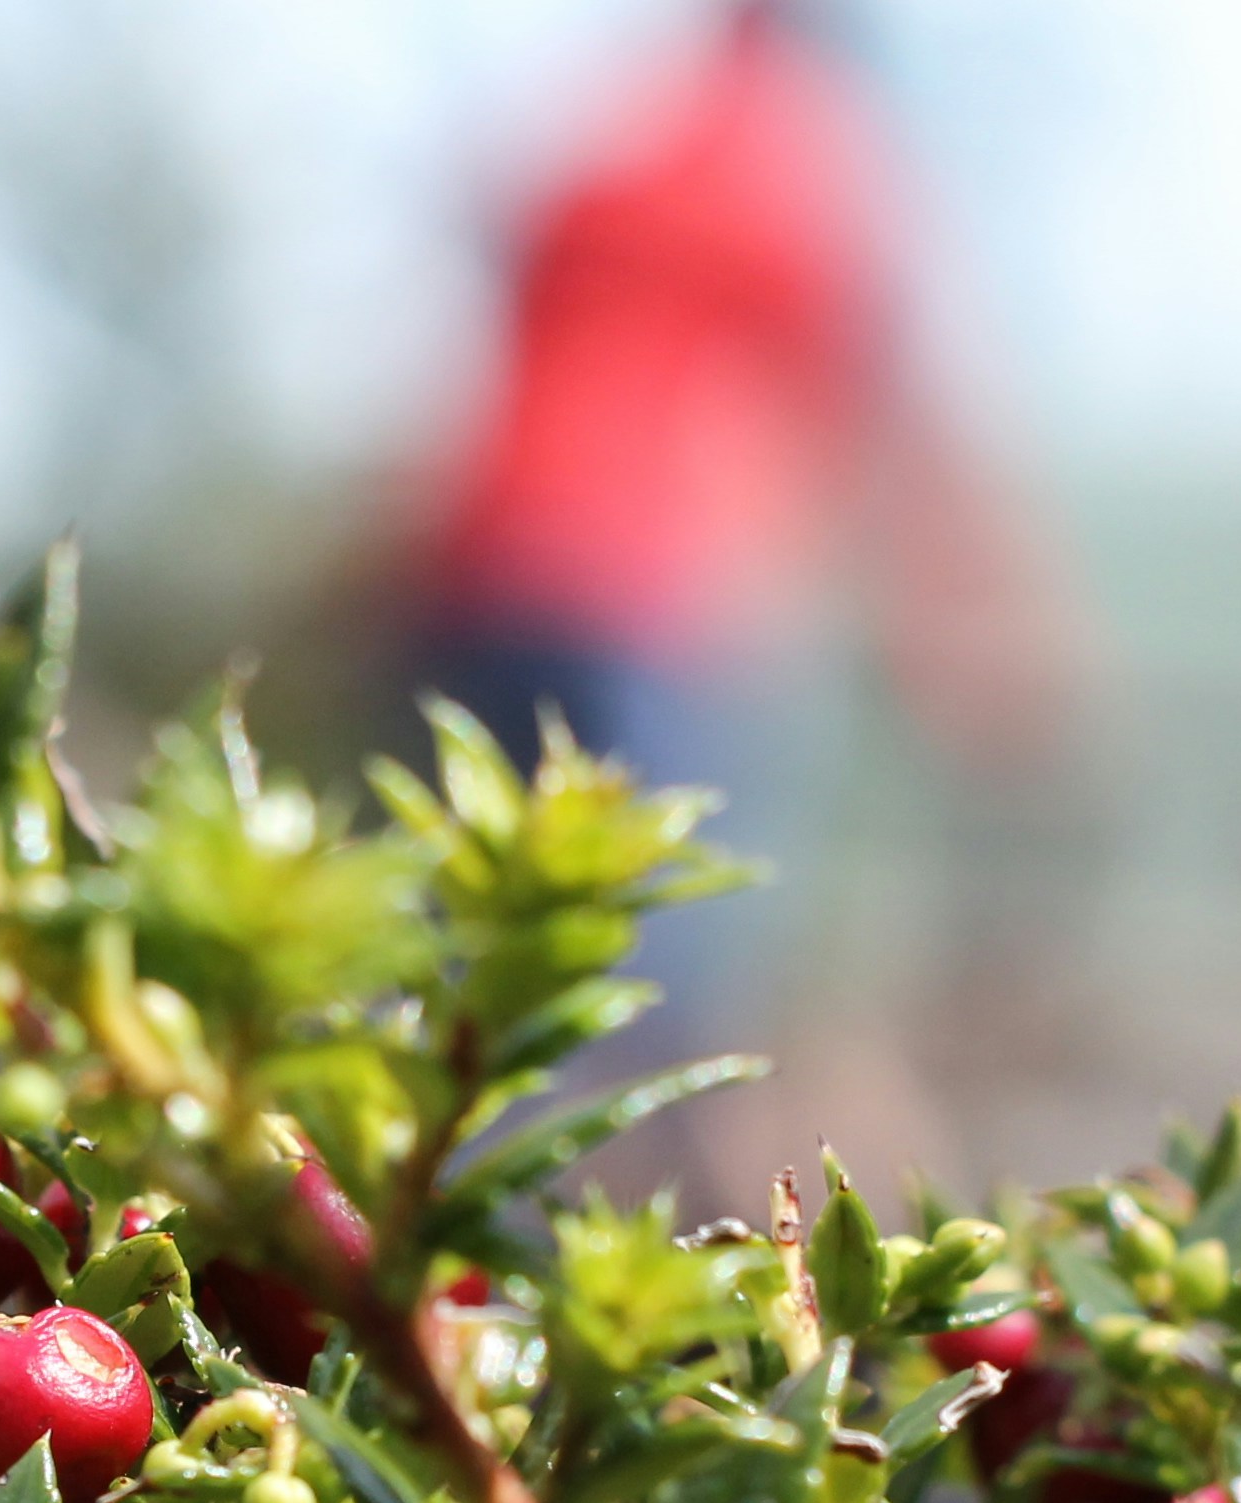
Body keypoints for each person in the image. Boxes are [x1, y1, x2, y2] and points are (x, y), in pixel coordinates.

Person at [412, 0, 1070, 1057]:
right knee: (630, 1013)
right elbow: (904, 425)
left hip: (474, 582)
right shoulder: (810, 164)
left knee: (459, 966)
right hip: (650, 615)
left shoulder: (623, 146)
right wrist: (984, 661)